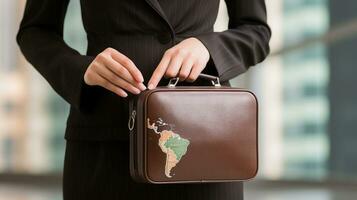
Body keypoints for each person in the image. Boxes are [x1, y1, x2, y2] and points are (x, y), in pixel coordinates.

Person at [16, 0, 271, 199]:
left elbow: (256, 31)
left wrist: (208, 48)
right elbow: (35, 31)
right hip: (105, 138)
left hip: (201, 141)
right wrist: (81, 69)